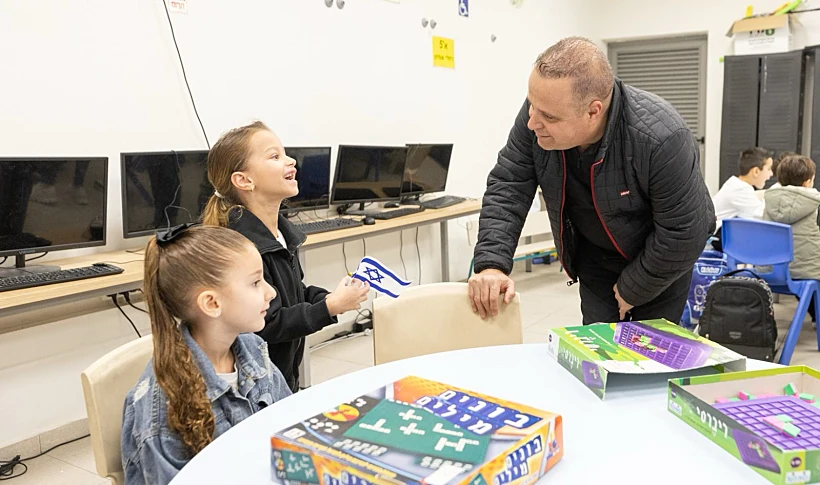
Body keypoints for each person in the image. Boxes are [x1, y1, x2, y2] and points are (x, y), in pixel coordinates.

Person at [469, 36, 715, 325]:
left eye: (548, 116)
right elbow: (509, 185)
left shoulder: (661, 137)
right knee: (599, 352)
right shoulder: (537, 117)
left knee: (651, 358)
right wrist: (491, 264)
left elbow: (687, 230)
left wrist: (632, 289)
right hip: (595, 259)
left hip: (659, 262)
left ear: (593, 111)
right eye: (531, 104)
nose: (532, 121)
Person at [202, 121, 369, 392]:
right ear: (244, 180)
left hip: (281, 379)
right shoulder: (241, 247)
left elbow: (293, 292)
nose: (291, 161)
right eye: (275, 156)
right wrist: (330, 308)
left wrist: (326, 298)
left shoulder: (280, 234)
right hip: (257, 390)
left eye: (285, 153)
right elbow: (268, 323)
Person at [121, 224, 291, 485]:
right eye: (256, 283)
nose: (272, 292)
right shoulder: (162, 409)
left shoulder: (253, 349)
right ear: (212, 304)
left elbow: (291, 423)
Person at [763, 155, 820, 322]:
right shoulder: (815, 203)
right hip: (805, 271)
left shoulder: (770, 200)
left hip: (769, 270)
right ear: (807, 182)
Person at [712, 147, 773, 226]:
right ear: (756, 171)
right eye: (769, 169)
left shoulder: (735, 185)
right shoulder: (740, 190)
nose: (771, 174)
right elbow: (763, 216)